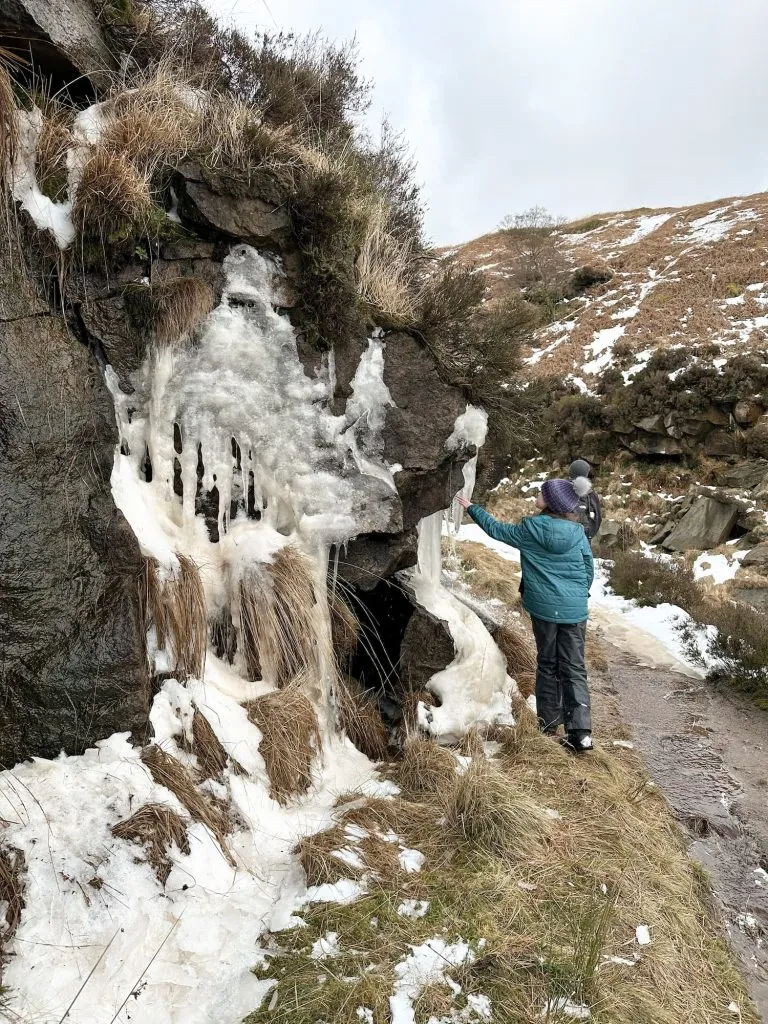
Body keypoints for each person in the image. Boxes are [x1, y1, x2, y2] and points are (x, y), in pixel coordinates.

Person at [457, 478, 594, 752]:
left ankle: (548, 723)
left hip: (544, 608)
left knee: (547, 663)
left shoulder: (530, 530)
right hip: (574, 609)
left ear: (551, 502)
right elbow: (588, 569)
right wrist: (575, 595)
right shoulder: (578, 533)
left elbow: (497, 530)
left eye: (542, 493)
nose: (537, 496)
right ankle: (580, 733)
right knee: (574, 667)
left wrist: (473, 508)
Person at [569, 459, 601, 542]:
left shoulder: (559, 490)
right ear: (586, 475)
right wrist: (589, 535)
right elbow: (597, 518)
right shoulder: (591, 495)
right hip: (583, 540)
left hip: (560, 539)